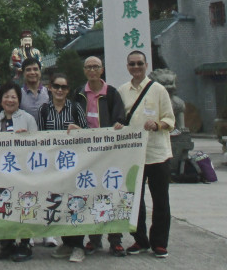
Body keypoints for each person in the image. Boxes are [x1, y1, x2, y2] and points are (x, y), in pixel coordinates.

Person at [118, 51, 174, 259]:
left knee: (160, 200)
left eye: (139, 63)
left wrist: (158, 125)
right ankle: (140, 240)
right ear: (127, 66)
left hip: (157, 153)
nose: (136, 67)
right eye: (132, 64)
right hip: (133, 156)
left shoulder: (159, 90)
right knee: (135, 201)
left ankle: (159, 243)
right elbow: (120, 118)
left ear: (146, 65)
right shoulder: (122, 91)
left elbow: (170, 119)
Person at [73, 56, 127, 257]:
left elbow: (120, 117)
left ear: (102, 70)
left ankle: (116, 240)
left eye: (96, 67)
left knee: (112, 194)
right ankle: (94, 239)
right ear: (84, 70)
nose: (92, 70)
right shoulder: (79, 93)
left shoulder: (111, 93)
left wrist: (119, 125)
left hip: (108, 152)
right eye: (88, 67)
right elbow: (73, 116)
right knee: (91, 195)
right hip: (86, 153)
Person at [36, 72, 89, 261]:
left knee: (75, 203)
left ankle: (78, 245)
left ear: (68, 90)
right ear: (50, 88)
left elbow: (88, 134)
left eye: (63, 87)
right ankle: (67, 243)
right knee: (61, 204)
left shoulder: (75, 108)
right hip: (53, 166)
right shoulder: (44, 110)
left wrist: (79, 130)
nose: (59, 90)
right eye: (56, 86)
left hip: (73, 165)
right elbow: (39, 137)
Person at [0, 81, 38, 261]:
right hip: (2, 172)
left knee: (24, 205)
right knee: (5, 206)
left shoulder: (28, 118)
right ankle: (7, 243)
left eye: (14, 97)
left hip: (23, 171)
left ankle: (25, 243)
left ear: (19, 99)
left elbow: (37, 144)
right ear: (1, 99)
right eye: (6, 97)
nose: (10, 100)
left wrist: (26, 139)